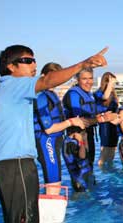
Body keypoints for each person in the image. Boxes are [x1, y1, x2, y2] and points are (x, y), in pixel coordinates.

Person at [0, 45, 107, 223]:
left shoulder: (8, 92)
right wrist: (84, 63)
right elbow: (47, 81)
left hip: (12, 165)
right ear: (10, 67)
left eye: (34, 60)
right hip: (16, 165)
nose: (33, 64)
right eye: (27, 61)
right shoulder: (14, 85)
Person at [33, 62, 84, 195]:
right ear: (45, 76)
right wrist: (72, 122)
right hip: (47, 141)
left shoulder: (52, 94)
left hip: (55, 140)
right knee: (53, 183)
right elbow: (49, 129)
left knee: (56, 182)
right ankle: (49, 214)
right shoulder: (42, 97)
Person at [62, 68, 116, 192]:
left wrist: (107, 116)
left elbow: (95, 111)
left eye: (90, 78)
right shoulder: (73, 94)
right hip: (77, 139)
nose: (88, 82)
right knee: (80, 178)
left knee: (89, 171)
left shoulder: (88, 95)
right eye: (84, 79)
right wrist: (103, 119)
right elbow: (80, 121)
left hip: (89, 137)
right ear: (77, 79)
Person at [94, 72, 121, 167]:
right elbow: (104, 97)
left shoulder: (113, 95)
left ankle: (109, 170)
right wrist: (110, 84)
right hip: (105, 125)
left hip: (114, 125)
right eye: (112, 83)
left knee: (113, 149)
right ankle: (101, 169)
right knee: (105, 150)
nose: (113, 85)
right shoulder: (98, 93)